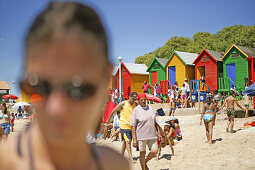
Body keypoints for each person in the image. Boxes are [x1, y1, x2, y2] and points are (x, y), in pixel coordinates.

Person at [0, 2, 130, 170]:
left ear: (106, 79)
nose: (56, 108)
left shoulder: (114, 165)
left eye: (78, 89)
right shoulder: (6, 162)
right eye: (39, 87)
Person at [130, 93, 162, 170]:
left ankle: (144, 162)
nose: (143, 101)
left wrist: (159, 132)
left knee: (155, 151)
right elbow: (133, 125)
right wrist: (134, 139)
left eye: (145, 99)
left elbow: (155, 121)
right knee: (142, 154)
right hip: (141, 136)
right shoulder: (136, 110)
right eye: (142, 100)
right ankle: (143, 168)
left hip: (152, 134)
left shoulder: (150, 108)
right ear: (139, 100)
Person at [106, 92, 138, 162]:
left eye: (135, 99)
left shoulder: (136, 104)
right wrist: (109, 119)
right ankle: (131, 158)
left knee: (125, 141)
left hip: (132, 126)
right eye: (133, 99)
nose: (134, 100)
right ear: (129, 97)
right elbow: (114, 110)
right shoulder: (123, 103)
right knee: (128, 141)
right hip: (124, 125)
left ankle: (121, 154)